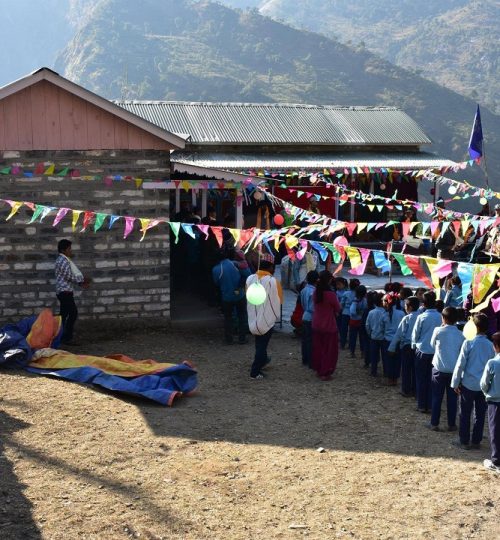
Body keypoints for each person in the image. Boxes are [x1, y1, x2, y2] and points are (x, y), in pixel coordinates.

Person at [451, 313, 495, 450]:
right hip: (483, 386)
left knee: (465, 413)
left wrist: (455, 383)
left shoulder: (468, 343)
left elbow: (460, 364)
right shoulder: (491, 345)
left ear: (474, 327)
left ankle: (464, 441)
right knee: (480, 414)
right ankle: (476, 440)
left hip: (468, 384)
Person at [428, 307, 465, 431]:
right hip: (454, 371)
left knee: (437, 397)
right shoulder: (461, 334)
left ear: (443, 318)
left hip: (439, 368)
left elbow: (431, 345)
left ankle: (434, 423)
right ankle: (451, 424)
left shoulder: (438, 331)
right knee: (452, 399)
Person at [246, 256, 282, 379]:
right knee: (262, 345)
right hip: (266, 317)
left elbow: (248, 296)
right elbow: (279, 300)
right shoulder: (273, 281)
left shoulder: (249, 278)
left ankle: (263, 361)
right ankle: (255, 372)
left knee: (259, 343)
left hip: (253, 316)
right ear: (270, 267)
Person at [54, 239, 90, 346]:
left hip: (64, 291)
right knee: (73, 313)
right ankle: (67, 337)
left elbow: (68, 277)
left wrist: (80, 282)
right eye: (69, 249)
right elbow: (69, 276)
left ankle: (58, 336)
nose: (71, 251)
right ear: (63, 250)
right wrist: (82, 281)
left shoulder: (63, 260)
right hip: (65, 291)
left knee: (63, 315)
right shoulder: (63, 261)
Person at [212, 247, 250, 345]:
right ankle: (242, 338)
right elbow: (248, 275)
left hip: (227, 297)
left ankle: (229, 339)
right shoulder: (236, 264)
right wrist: (240, 286)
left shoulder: (216, 269)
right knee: (242, 316)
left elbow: (216, 283)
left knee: (228, 318)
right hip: (240, 295)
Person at [411, 291, 442, 413]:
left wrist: (414, 346)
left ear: (423, 304)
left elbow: (415, 335)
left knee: (420, 378)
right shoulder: (440, 316)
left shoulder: (421, 317)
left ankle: (421, 404)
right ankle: (430, 404)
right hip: (435, 352)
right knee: (432, 380)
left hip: (422, 351)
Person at [311, 270, 341, 381]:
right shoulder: (331, 295)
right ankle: (325, 371)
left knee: (318, 348)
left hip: (316, 323)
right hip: (329, 325)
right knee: (329, 350)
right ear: (329, 280)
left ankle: (319, 369)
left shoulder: (316, 292)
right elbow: (338, 308)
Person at [388, 296, 420, 397]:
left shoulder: (407, 318)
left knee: (406, 369)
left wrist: (392, 348)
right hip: (418, 347)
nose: (405, 307)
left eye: (406, 305)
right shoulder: (421, 316)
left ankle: (406, 390)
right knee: (416, 370)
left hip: (407, 346)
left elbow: (399, 334)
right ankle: (415, 390)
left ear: (409, 307)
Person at [480, 332, 500, 472]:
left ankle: (496, 461)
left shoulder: (493, 363)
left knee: (495, 430)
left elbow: (484, 383)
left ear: (496, 346)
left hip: (495, 401)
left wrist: (487, 393)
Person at [380, 293, 405, 385]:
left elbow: (381, 327)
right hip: (398, 340)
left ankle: (389, 378)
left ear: (386, 302)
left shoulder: (384, 314)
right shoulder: (402, 313)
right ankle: (395, 378)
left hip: (387, 339)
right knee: (397, 360)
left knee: (388, 360)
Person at [300, 270, 319, 367]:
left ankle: (305, 359)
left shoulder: (304, 290)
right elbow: (312, 308)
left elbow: (303, 304)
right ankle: (311, 361)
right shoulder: (314, 292)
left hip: (305, 316)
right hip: (312, 317)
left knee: (305, 340)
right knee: (311, 340)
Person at [365, 292, 386, 377]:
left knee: (374, 355)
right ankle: (386, 371)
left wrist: (369, 333)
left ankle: (373, 371)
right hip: (384, 337)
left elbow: (367, 325)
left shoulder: (371, 312)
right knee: (384, 356)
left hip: (373, 336)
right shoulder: (386, 313)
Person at [339, 279, 359, 349]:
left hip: (345, 312)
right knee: (352, 330)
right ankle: (351, 345)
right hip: (354, 314)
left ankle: (342, 344)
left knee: (343, 329)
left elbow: (342, 304)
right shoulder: (358, 294)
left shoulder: (346, 293)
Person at [348, 285, 367, 358]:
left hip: (354, 321)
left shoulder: (355, 301)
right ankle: (362, 352)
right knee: (362, 338)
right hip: (362, 321)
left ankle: (352, 352)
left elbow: (352, 312)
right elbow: (365, 308)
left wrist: (357, 313)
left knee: (353, 338)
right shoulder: (365, 300)